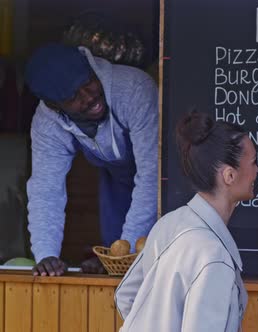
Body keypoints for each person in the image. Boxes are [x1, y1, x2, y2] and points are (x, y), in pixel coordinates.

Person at [115, 112, 257, 331]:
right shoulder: (213, 254)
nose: (257, 171)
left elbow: (125, 296)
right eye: (254, 162)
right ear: (229, 175)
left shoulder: (168, 223)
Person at [24, 43, 158, 276]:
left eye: (87, 83)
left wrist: (121, 256)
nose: (89, 97)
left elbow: (152, 175)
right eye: (73, 96)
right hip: (117, 186)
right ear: (54, 106)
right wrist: (46, 254)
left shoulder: (133, 89)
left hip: (165, 183)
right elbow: (47, 190)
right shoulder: (47, 124)